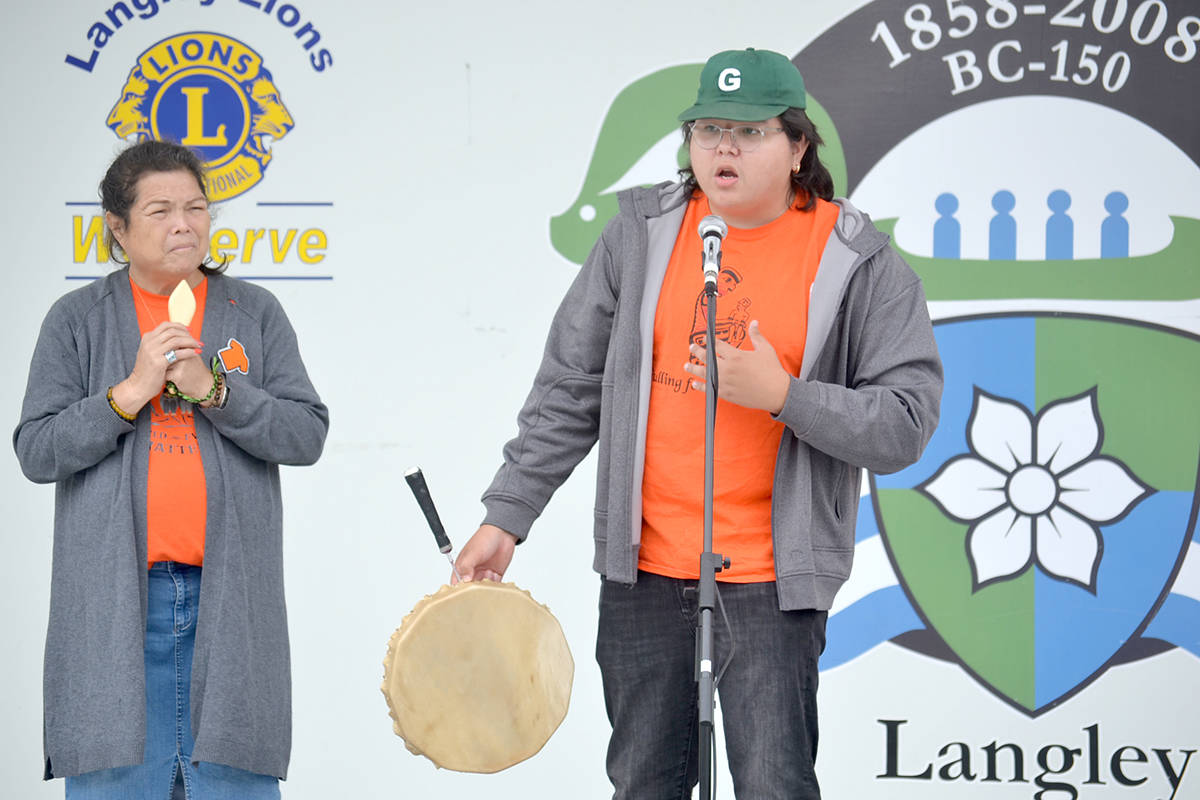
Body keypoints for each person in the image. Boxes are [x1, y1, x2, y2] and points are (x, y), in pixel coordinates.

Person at [455, 48, 942, 797]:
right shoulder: (638, 238)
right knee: (644, 785)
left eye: (749, 133)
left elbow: (905, 425)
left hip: (772, 583)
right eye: (708, 129)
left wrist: (785, 394)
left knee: (775, 786)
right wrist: (507, 514)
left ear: (798, 146)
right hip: (644, 573)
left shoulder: (858, 260)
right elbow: (570, 388)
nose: (723, 148)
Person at [13, 139, 328, 798]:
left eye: (196, 207)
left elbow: (305, 434)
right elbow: (37, 451)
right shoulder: (77, 321)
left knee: (232, 776)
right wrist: (127, 393)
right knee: (115, 778)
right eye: (160, 210)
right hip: (117, 608)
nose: (184, 223)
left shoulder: (254, 313)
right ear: (118, 229)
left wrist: (215, 390)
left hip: (230, 604)